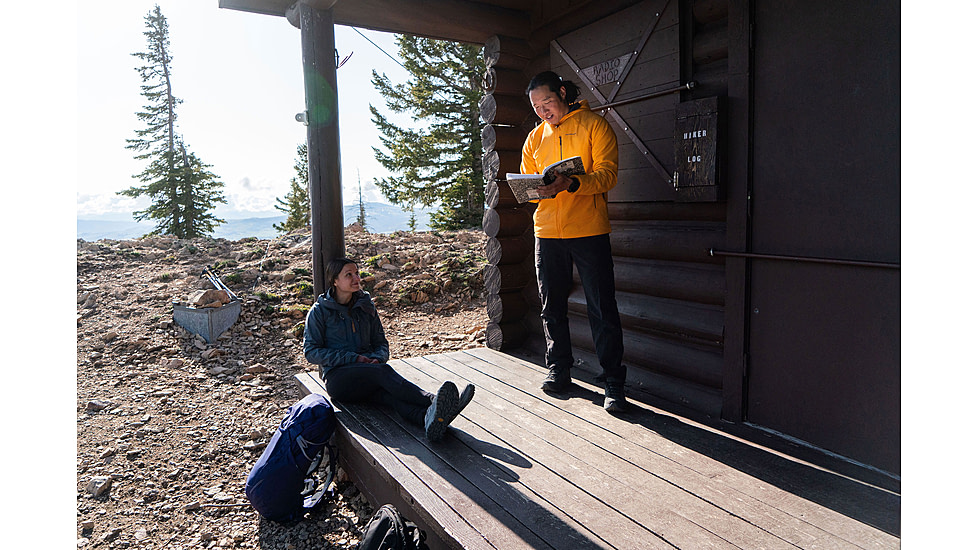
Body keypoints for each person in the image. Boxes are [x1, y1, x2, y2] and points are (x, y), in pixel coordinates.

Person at [521, 70, 627, 413]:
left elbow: (608, 174)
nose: (542, 110)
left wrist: (572, 184)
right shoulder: (534, 139)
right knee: (551, 306)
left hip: (590, 229)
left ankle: (613, 383)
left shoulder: (595, 125)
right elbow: (529, 188)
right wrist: (537, 190)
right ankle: (559, 370)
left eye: (547, 102)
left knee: (601, 307)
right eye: (536, 106)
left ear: (563, 93)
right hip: (548, 231)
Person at [303, 257, 475, 441]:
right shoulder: (320, 311)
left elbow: (381, 343)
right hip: (339, 380)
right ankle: (435, 401)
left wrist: (377, 357)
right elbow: (311, 352)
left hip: (370, 372)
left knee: (390, 397)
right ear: (335, 281)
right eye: (349, 275)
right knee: (381, 372)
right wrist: (353, 358)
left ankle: (427, 418)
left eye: (357, 273)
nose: (356, 278)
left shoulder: (365, 305)